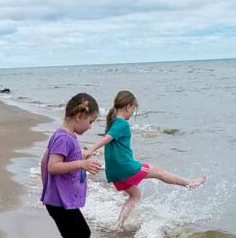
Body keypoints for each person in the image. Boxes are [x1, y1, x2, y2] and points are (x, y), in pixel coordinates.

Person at [85, 90, 207, 230]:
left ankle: (118, 225)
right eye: (134, 109)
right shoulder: (121, 123)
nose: (133, 113)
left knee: (135, 195)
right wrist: (91, 149)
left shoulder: (113, 122)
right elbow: (108, 138)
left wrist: (92, 150)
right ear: (129, 106)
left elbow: (110, 140)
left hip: (113, 172)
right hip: (125, 168)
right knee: (160, 172)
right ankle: (189, 183)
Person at [40, 92, 102, 238]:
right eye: (90, 121)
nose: (90, 126)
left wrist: (82, 156)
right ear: (79, 116)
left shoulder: (68, 137)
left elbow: (44, 162)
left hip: (61, 200)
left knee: (82, 233)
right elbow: (52, 166)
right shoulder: (62, 137)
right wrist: (81, 164)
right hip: (58, 202)